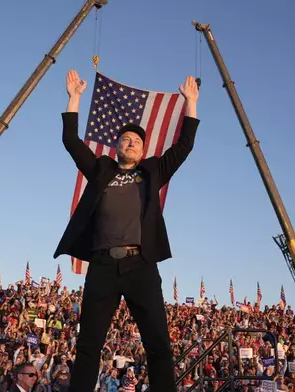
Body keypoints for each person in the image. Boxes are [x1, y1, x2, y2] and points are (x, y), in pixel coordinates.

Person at [54, 69, 200, 392]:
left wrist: (191, 103)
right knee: (88, 347)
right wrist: (74, 98)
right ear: (117, 147)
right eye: (125, 140)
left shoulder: (152, 171)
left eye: (136, 142)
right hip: (103, 266)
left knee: (159, 346)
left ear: (142, 150)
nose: (131, 143)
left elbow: (184, 145)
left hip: (141, 266)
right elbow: (71, 141)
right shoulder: (101, 169)